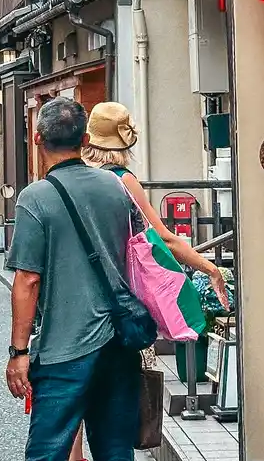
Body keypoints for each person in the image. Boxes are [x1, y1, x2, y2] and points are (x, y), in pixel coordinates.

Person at [0, 97, 140, 461]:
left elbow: (27, 280)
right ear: (85, 141)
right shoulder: (116, 189)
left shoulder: (37, 197)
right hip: (118, 344)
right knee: (117, 459)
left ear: (37, 138)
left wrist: (17, 351)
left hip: (65, 349)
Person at [83, 102, 230, 312]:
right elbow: (165, 238)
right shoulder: (121, 179)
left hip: (78, 286)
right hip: (116, 286)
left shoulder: (75, 178)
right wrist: (211, 269)